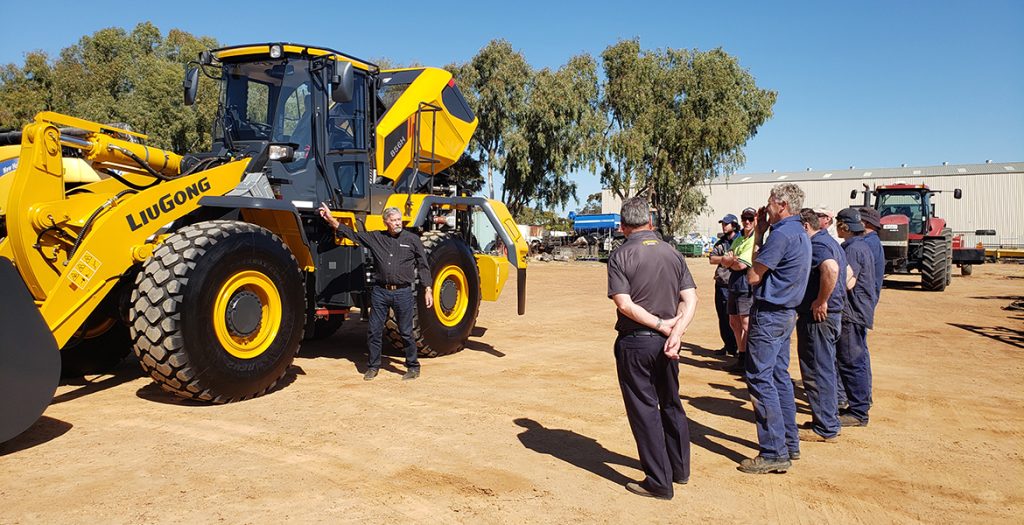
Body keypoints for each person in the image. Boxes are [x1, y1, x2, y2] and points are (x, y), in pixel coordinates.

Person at [607, 196, 698, 500]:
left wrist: (661, 325)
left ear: (622, 226)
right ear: (650, 222)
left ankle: (659, 481)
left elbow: (624, 304)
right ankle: (679, 469)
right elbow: (690, 298)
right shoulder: (673, 253)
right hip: (669, 344)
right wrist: (676, 331)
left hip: (637, 342)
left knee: (645, 410)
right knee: (671, 402)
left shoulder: (620, 255)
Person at [738, 183, 811, 474]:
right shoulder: (799, 232)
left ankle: (773, 451)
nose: (765, 206)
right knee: (779, 377)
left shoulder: (781, 235)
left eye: (770, 201)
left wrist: (758, 235)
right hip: (785, 314)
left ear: (781, 205)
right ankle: (788, 444)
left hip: (770, 315)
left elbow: (753, 276)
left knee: (759, 378)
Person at [318, 204, 433, 380]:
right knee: (374, 330)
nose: (397, 223)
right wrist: (332, 219)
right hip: (380, 292)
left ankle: (413, 366)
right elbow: (353, 235)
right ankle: (373, 366)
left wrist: (428, 288)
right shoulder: (376, 238)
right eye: (393, 220)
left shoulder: (412, 239)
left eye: (399, 219)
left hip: (403, 293)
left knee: (406, 331)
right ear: (386, 222)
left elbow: (423, 265)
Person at [795, 208, 850, 444]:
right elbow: (848, 274)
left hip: (819, 317)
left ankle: (825, 427)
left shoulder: (817, 246)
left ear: (806, 226)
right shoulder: (831, 242)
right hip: (832, 315)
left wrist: (821, 300)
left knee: (817, 371)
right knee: (825, 368)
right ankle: (827, 420)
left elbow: (832, 269)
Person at [835, 207, 877, 427]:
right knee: (853, 360)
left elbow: (848, 281)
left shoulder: (852, 249)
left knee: (851, 361)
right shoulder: (861, 246)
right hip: (857, 311)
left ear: (844, 226)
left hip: (851, 313)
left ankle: (859, 411)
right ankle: (857, 406)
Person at [720, 207, 757, 373]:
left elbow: (741, 264)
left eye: (750, 218)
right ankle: (741, 357)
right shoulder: (741, 237)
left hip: (745, 283)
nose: (747, 222)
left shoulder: (755, 238)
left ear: (756, 219)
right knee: (733, 322)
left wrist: (730, 261)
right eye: (744, 218)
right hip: (734, 283)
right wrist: (730, 260)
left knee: (745, 323)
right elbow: (725, 258)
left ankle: (751, 358)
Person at [708, 214, 739, 357]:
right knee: (722, 317)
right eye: (723, 224)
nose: (723, 226)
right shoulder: (721, 243)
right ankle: (728, 346)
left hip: (733, 285)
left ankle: (739, 347)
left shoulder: (740, 241)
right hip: (720, 284)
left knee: (735, 318)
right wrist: (726, 259)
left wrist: (727, 261)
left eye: (726, 224)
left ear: (734, 225)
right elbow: (712, 259)